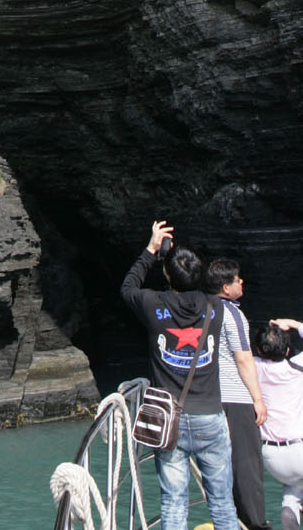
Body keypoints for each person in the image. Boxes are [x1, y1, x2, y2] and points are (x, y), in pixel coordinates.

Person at [121, 220, 262, 530]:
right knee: (222, 501)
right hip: (210, 416)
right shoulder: (217, 308)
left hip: (168, 419)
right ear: (202, 277)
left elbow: (128, 287)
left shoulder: (152, 304)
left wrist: (152, 251)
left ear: (167, 274)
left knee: (173, 501)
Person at [206, 256, 271, 530]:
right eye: (237, 279)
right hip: (236, 398)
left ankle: (228, 521)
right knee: (247, 465)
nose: (241, 282)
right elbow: (243, 358)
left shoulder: (201, 309)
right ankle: (255, 524)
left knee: (219, 465)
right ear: (225, 286)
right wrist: (258, 399)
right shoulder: (232, 313)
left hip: (209, 397)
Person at [254, 319, 303, 530]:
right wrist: (292, 323)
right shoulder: (296, 368)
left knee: (293, 486)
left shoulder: (252, 367)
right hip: (299, 448)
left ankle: (290, 505)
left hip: (271, 457)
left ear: (258, 349)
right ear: (288, 349)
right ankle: (291, 505)